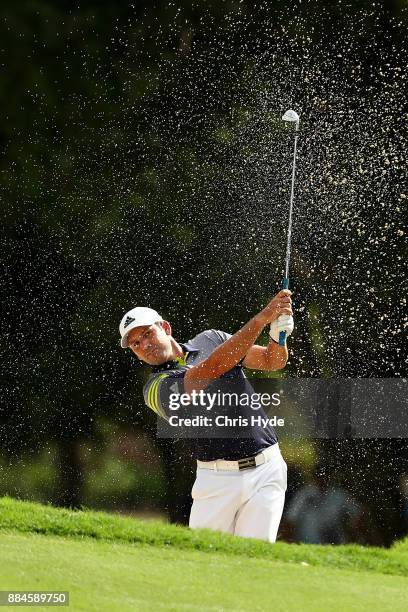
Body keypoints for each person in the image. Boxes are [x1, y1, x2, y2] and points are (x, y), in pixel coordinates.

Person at [119, 290, 294, 542]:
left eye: (147, 334)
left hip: (266, 469)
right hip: (216, 481)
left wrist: (278, 334)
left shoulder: (211, 338)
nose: (145, 345)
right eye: (136, 344)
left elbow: (271, 360)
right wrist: (261, 319)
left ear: (165, 327)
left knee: (256, 559)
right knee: (205, 562)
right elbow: (210, 369)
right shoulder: (155, 388)